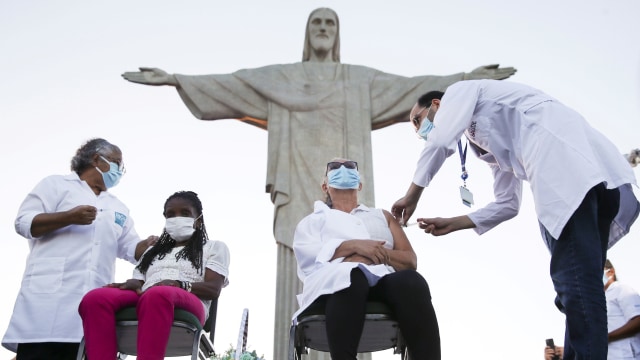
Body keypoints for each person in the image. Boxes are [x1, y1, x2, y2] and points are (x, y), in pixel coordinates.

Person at [121, 8, 516, 358]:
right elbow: (235, 84)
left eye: (331, 23)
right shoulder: (283, 80)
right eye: (317, 23)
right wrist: (176, 79)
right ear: (325, 184)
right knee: (347, 278)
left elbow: (412, 87)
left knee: (399, 284)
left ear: (358, 180)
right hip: (296, 176)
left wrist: (466, 80)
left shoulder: (359, 83)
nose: (324, 28)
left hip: (379, 269)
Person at [391, 79, 640, 359]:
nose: (420, 132)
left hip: (566, 176)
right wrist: (455, 222)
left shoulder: (461, 92)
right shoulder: (486, 138)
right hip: (593, 179)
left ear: (437, 105)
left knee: (576, 286)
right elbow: (508, 203)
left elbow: (439, 141)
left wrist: (411, 195)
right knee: (578, 287)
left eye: (418, 120)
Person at [1, 138, 157, 360]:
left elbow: (131, 249)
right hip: (48, 305)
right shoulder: (55, 185)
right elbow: (24, 223)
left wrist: (149, 246)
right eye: (116, 162)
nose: (120, 171)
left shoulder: (118, 207)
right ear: (96, 159)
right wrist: (69, 217)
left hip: (92, 307)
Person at [293, 158, 441, 360]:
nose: (343, 169)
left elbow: (410, 261)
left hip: (382, 278)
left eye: (350, 166)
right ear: (324, 185)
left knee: (412, 282)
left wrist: (378, 253)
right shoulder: (313, 221)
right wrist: (354, 246)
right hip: (336, 285)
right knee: (351, 276)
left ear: (360, 184)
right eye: (335, 167)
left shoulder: (382, 216)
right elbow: (308, 257)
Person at [78, 190, 230, 360]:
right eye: (170, 215)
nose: (176, 218)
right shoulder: (153, 251)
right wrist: (133, 283)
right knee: (96, 298)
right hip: (148, 295)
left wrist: (179, 284)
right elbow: (140, 280)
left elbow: (213, 289)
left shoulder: (214, 247)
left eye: (185, 213)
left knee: (158, 294)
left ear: (198, 220)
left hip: (188, 299)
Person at [603, 259, 640, 359]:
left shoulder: (621, 289)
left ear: (611, 272)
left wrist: (607, 337)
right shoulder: (600, 298)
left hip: (628, 355)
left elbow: (637, 320)